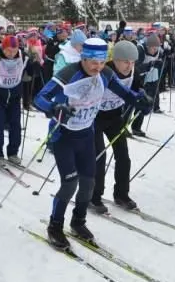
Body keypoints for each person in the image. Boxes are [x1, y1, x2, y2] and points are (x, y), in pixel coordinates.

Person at [34, 38, 152, 249]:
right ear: (83, 57)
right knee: (70, 183)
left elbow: (125, 93)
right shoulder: (69, 74)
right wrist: (54, 108)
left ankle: (78, 222)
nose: (97, 67)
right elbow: (39, 98)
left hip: (86, 135)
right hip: (64, 136)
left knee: (89, 183)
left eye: (101, 62)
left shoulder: (105, 74)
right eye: (92, 62)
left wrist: (139, 100)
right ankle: (55, 226)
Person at [90, 40, 143, 213]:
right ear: (115, 60)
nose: (129, 65)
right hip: (95, 118)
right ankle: (94, 197)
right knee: (99, 157)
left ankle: (121, 194)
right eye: (126, 61)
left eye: (133, 62)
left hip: (114, 117)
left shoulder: (134, 73)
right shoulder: (103, 72)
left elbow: (136, 93)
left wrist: (143, 100)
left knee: (123, 156)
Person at [0, 35, 27, 167]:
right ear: (3, 48)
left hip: (14, 96)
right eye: (8, 50)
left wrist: (35, 67)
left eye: (14, 51)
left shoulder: (22, 55)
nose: (11, 53)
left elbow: (30, 69)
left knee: (15, 124)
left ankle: (13, 152)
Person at [131, 33, 163, 136]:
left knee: (143, 103)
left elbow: (159, 60)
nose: (155, 51)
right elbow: (135, 68)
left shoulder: (158, 51)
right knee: (130, 105)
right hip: (135, 79)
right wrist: (149, 65)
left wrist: (159, 64)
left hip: (149, 79)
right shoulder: (140, 50)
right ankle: (122, 126)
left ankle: (136, 127)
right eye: (153, 48)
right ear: (148, 46)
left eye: (156, 48)